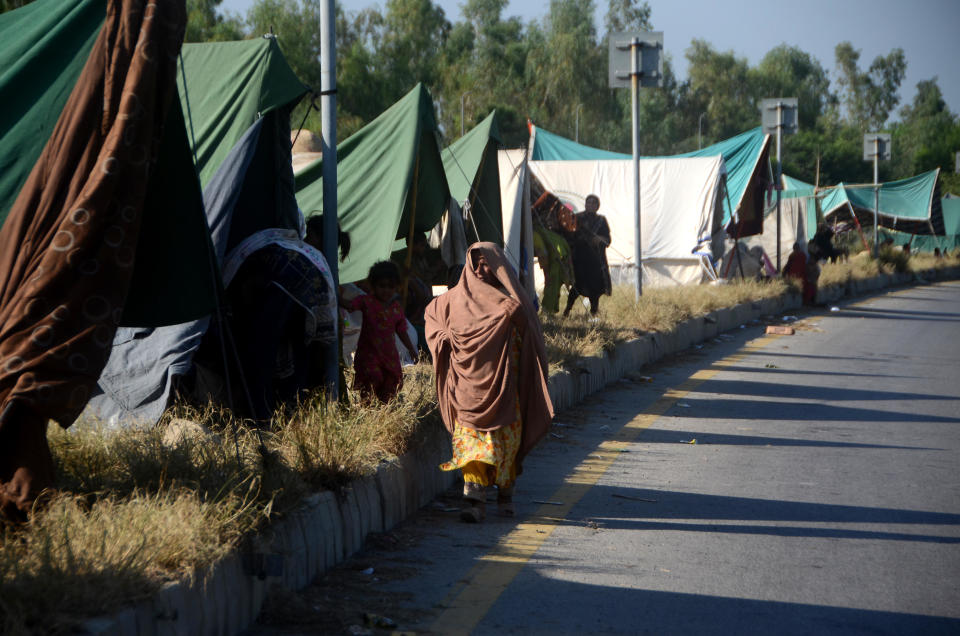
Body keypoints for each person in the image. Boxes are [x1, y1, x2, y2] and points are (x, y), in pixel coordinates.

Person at [425, 243, 554, 523]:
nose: (482, 270)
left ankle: (505, 493)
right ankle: (474, 501)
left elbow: (531, 341)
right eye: (477, 264)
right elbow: (433, 320)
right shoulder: (449, 302)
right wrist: (446, 339)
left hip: (505, 392)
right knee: (470, 447)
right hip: (465, 392)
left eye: (488, 264)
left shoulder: (513, 305)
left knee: (504, 446)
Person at [341, 261, 416, 403]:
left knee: (390, 383)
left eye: (390, 286)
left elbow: (401, 331)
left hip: (389, 355)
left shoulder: (396, 308)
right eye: (382, 286)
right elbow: (350, 305)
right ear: (373, 286)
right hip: (369, 354)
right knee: (371, 378)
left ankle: (382, 412)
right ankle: (367, 409)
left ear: (396, 287)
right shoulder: (366, 301)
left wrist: (411, 350)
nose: (386, 290)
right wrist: (337, 296)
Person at [563, 194, 612, 316]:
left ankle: (593, 313)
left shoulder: (601, 221)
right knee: (576, 287)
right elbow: (569, 237)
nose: (590, 205)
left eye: (593, 203)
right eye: (588, 202)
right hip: (580, 259)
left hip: (595, 261)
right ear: (585, 204)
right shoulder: (577, 218)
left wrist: (600, 239)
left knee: (595, 288)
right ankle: (567, 311)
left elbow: (608, 239)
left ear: (597, 206)